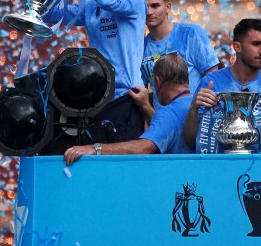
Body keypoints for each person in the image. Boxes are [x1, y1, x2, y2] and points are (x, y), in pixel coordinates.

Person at [44, 0, 146, 142]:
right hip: (98, 96)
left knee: (120, 163)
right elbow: (53, 16)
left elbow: (111, 2)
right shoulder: (92, 6)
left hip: (126, 97)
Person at [63, 54, 195, 165]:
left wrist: (95, 148)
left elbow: (143, 148)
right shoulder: (196, 103)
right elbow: (168, 128)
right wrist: (145, 106)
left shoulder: (168, 113)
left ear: (158, 81)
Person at [182, 18, 261, 151]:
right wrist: (194, 109)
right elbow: (190, 140)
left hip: (260, 170)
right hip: (220, 167)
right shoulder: (211, 83)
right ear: (237, 47)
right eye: (256, 44)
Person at [133, 0, 218, 121]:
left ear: (167, 7)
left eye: (155, 6)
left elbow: (213, 77)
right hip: (163, 123)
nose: (149, 12)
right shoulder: (140, 46)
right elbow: (142, 91)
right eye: (145, 7)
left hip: (195, 120)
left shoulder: (191, 33)